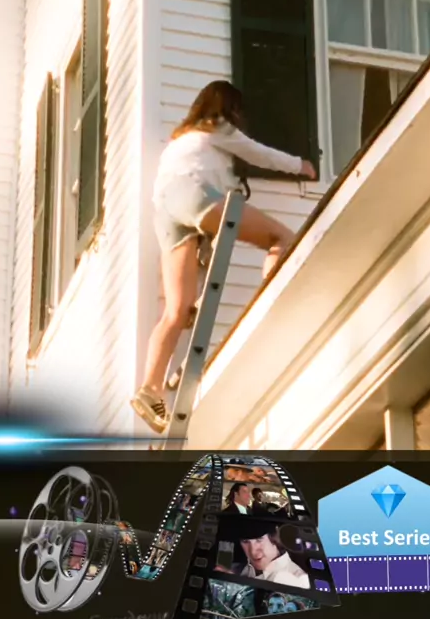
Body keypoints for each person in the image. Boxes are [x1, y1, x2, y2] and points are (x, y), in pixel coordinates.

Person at [130, 80, 316, 432]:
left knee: (177, 309)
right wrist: (300, 165)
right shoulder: (217, 126)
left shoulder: (182, 140)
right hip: (192, 194)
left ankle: (150, 389)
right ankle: (273, 296)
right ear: (226, 107)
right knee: (282, 237)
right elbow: (258, 153)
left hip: (165, 210)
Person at [237, 525, 310, 590]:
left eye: (259, 540)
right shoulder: (245, 569)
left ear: (274, 537)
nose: (253, 551)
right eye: (245, 541)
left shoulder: (298, 582)